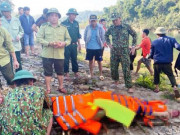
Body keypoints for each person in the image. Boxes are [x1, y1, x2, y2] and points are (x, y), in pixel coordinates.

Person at [0, 70, 53, 134]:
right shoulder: (40, 90)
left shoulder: (9, 93)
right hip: (35, 132)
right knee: (49, 112)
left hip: (8, 133)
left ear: (15, 84)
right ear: (31, 82)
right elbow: (48, 105)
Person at [37, 8, 71, 94]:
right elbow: (39, 38)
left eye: (56, 15)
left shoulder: (63, 28)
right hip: (47, 54)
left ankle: (61, 87)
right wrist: (49, 43)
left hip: (59, 54)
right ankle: (48, 88)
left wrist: (63, 43)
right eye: (51, 15)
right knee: (47, 72)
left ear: (58, 17)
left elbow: (68, 39)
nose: (54, 17)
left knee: (60, 71)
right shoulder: (44, 27)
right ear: (48, 17)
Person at [105, 13, 137, 93]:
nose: (114, 22)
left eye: (116, 20)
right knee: (113, 67)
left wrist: (133, 46)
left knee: (126, 68)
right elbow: (106, 35)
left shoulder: (126, 27)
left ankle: (129, 86)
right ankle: (116, 81)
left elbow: (134, 35)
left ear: (120, 18)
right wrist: (109, 44)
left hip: (124, 51)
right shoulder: (111, 28)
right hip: (114, 51)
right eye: (113, 20)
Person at [149, 27, 180, 102]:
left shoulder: (154, 42)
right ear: (165, 33)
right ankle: (175, 87)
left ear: (157, 34)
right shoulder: (172, 39)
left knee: (156, 74)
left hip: (157, 62)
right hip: (167, 63)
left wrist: (151, 57)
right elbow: (178, 47)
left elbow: (151, 54)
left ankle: (157, 88)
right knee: (170, 75)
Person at [0, 2, 24, 72]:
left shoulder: (16, 20)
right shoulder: (1, 21)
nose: (6, 13)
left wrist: (19, 36)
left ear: (10, 11)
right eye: (4, 12)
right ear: (1, 12)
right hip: (6, 48)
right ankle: (12, 79)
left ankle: (20, 78)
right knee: (8, 64)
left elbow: (21, 31)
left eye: (7, 11)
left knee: (18, 62)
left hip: (16, 46)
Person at [0, 10, 19, 87]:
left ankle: (13, 95)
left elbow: (9, 46)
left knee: (10, 79)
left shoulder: (3, 30)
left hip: (3, 59)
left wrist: (15, 60)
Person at [61, 8, 81, 80]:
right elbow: (61, 35)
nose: (74, 16)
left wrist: (79, 44)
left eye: (75, 15)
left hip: (74, 44)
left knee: (74, 58)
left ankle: (75, 71)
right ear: (69, 15)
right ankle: (66, 72)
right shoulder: (63, 23)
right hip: (66, 44)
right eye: (72, 14)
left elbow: (78, 34)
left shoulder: (76, 23)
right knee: (66, 59)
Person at [84, 15, 105, 79]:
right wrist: (87, 43)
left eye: (94, 21)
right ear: (90, 21)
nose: (93, 22)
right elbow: (85, 36)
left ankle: (101, 74)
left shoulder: (100, 27)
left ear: (96, 21)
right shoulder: (87, 27)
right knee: (90, 61)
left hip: (98, 47)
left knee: (99, 61)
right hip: (89, 47)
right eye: (92, 21)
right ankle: (91, 74)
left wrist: (101, 44)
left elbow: (103, 37)